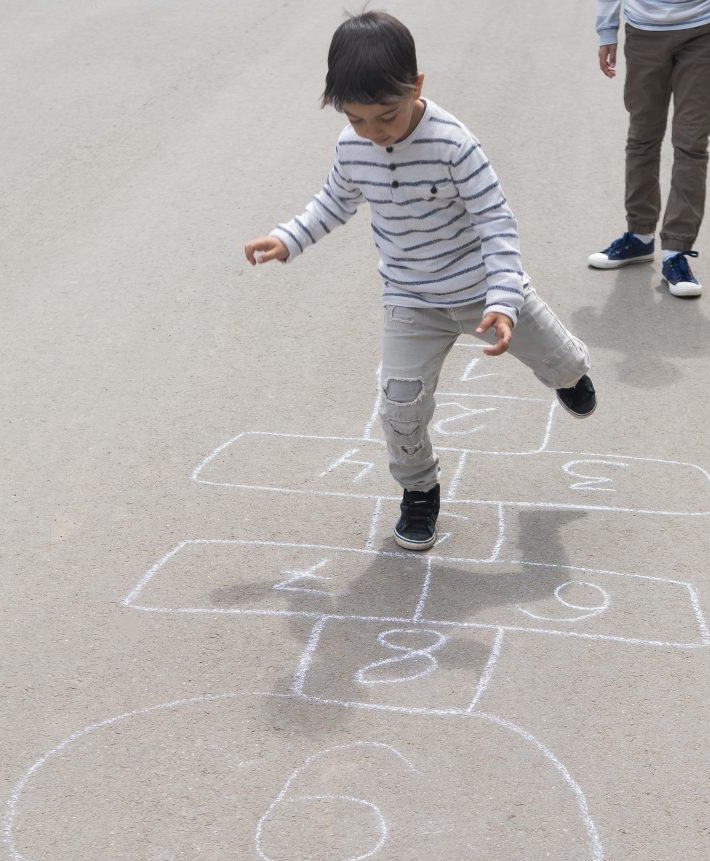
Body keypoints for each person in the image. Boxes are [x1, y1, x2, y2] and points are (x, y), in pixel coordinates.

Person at [245, 11, 595, 552]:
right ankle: (419, 491)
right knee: (399, 406)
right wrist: (289, 238)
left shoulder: (455, 145)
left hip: (484, 291)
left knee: (563, 363)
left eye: (386, 115)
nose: (374, 131)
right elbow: (335, 200)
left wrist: (503, 301)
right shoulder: (353, 145)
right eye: (357, 118)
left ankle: (570, 373)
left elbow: (496, 224)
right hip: (410, 298)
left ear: (417, 87)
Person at [588, 0, 710, 297]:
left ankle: (676, 252)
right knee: (642, 137)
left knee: (691, 144)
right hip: (643, 30)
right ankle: (639, 235)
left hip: (705, 29)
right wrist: (607, 29)